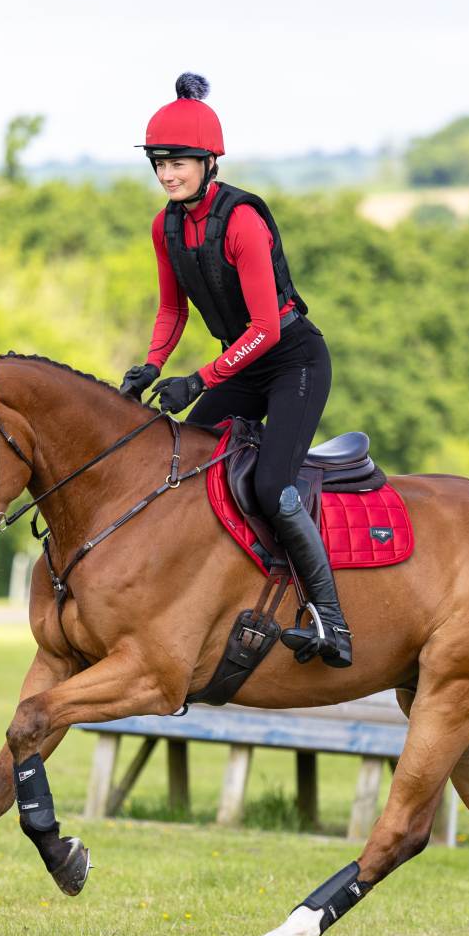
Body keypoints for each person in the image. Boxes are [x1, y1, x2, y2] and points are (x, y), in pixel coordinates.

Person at [120, 73, 351, 669]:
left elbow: (268, 328)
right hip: (241, 365)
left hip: (292, 360)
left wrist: (198, 380)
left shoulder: (242, 221)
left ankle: (332, 619)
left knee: (272, 486)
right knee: (187, 468)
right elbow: (172, 308)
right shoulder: (165, 225)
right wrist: (149, 367)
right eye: (159, 164)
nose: (168, 174)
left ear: (208, 162)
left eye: (178, 163)